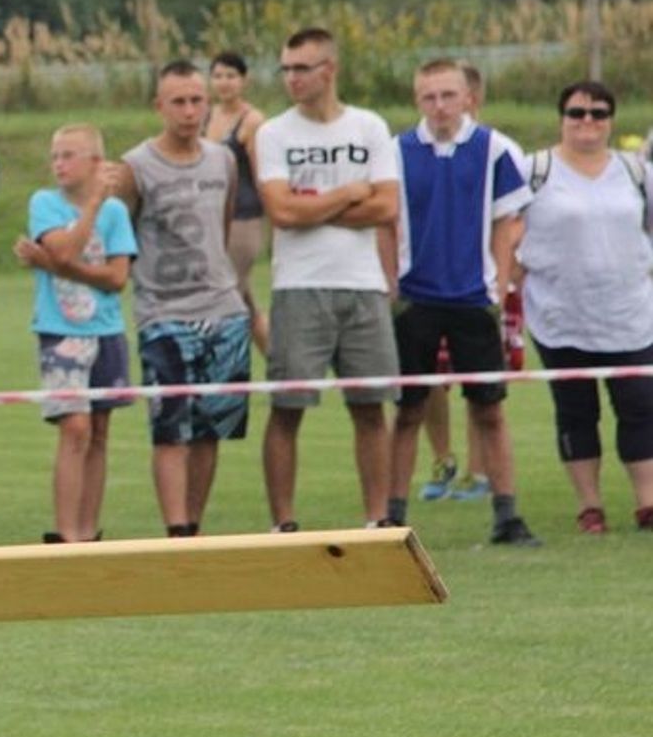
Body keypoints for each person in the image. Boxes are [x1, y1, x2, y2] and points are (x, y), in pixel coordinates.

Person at [380, 59, 539, 546]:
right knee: (409, 410)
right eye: (429, 97)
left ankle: (507, 515)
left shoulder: (494, 149)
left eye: (448, 95)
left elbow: (508, 222)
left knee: (489, 409)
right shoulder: (396, 151)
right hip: (415, 299)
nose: (439, 106)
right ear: (417, 100)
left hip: (473, 299)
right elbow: (384, 223)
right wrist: (391, 286)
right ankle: (391, 517)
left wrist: (498, 286)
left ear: (468, 97)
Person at [255, 28, 399, 530]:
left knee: (370, 407)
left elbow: (386, 207)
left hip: (363, 285)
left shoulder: (369, 127)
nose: (292, 78)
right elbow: (282, 212)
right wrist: (347, 194)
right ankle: (283, 523)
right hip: (299, 286)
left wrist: (313, 207)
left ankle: (377, 519)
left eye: (302, 68)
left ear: (330, 70)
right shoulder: (274, 133)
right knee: (287, 407)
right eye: (286, 69)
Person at [110, 62, 250, 536]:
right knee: (170, 430)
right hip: (164, 313)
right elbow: (121, 233)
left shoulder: (223, 160)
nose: (189, 111)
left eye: (196, 100)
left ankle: (194, 528)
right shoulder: (135, 166)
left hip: (223, 310)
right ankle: (175, 532)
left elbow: (222, 227)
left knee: (211, 429)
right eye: (179, 102)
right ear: (159, 106)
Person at [517, 80, 653, 533]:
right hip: (559, 314)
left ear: (611, 120)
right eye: (577, 113)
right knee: (576, 411)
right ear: (562, 118)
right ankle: (589, 506)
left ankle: (647, 502)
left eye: (598, 112)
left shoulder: (636, 172)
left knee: (639, 406)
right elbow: (508, 232)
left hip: (629, 313)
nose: (587, 121)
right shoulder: (534, 170)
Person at [14, 124, 135, 542]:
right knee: (75, 428)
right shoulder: (44, 203)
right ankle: (66, 534)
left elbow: (117, 278)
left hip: (107, 332)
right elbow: (65, 249)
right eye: (55, 156)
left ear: (95, 163)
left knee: (99, 431)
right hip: (60, 331)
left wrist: (49, 264)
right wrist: (93, 206)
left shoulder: (117, 213)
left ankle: (88, 532)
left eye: (69, 155)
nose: (59, 164)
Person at [204, 51, 269, 354]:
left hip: (244, 219)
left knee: (226, 296)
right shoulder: (205, 115)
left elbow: (261, 175)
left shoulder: (253, 121)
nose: (224, 83)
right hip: (211, 217)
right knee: (246, 304)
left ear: (243, 80)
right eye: (218, 76)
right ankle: (281, 365)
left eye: (230, 76)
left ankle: (221, 362)